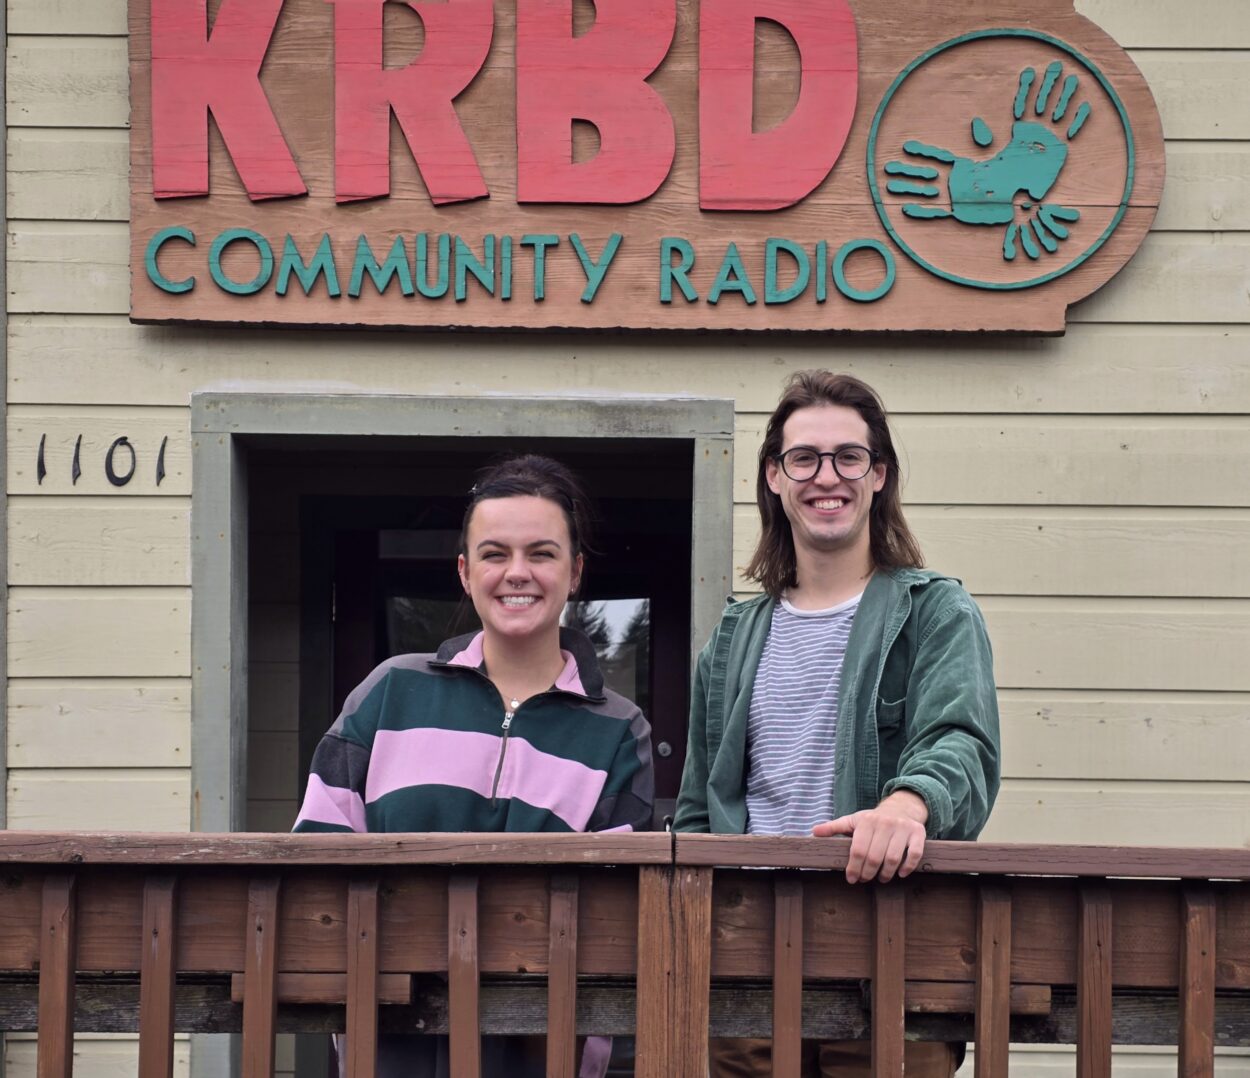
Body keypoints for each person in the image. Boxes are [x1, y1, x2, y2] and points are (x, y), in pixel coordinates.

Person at [675, 371, 1000, 1078]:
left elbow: (962, 746)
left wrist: (907, 805)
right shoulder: (732, 637)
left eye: (849, 457)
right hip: (749, 970)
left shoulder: (936, 612)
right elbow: (699, 808)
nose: (828, 477)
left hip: (894, 959)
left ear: (878, 475)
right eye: (805, 458)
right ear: (774, 477)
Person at [294, 454, 654, 1077]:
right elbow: (316, 859)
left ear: (575, 572)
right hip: (388, 1039)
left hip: (541, 1045)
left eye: (541, 553)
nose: (517, 572)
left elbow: (613, 914)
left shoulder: (620, 730)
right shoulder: (388, 692)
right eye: (494, 554)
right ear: (465, 572)